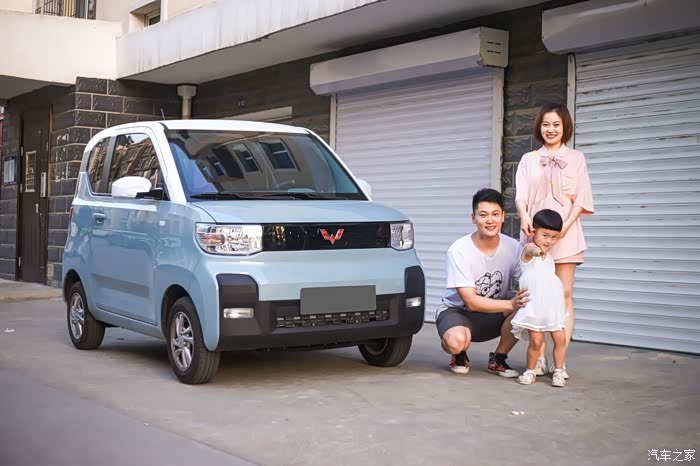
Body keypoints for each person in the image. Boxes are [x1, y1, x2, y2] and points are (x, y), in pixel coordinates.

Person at [515, 102, 594, 379]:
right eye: (546, 124)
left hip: (567, 234)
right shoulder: (528, 159)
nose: (551, 129)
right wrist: (524, 216)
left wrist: (565, 229)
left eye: (556, 124)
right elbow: (520, 196)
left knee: (564, 294)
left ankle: (560, 361)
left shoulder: (577, 158)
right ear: (539, 127)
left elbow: (581, 199)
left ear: (565, 127)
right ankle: (538, 357)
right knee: (535, 294)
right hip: (535, 233)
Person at [435, 188, 530, 377]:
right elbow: (470, 301)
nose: (490, 220)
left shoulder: (514, 247)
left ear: (503, 217)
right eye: (483, 215)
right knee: (456, 341)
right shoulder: (459, 250)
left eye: (495, 214)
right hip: (458, 312)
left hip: (493, 313)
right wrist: (510, 304)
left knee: (527, 305)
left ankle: (498, 359)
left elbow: (528, 281)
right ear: (473, 218)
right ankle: (458, 353)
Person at [510, 209, 568, 387]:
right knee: (536, 341)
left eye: (554, 237)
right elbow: (531, 249)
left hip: (552, 307)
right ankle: (530, 370)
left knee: (560, 339)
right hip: (535, 307)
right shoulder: (528, 251)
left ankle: (558, 370)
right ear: (534, 231)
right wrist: (538, 251)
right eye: (545, 235)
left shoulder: (550, 258)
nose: (549, 241)